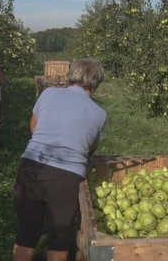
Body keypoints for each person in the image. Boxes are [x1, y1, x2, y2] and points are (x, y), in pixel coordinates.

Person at [12, 58, 107, 261]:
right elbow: (91, 146)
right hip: (67, 177)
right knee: (59, 239)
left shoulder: (48, 94)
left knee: (27, 234)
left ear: (71, 76)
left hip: (32, 166)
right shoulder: (100, 114)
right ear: (95, 85)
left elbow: (34, 127)